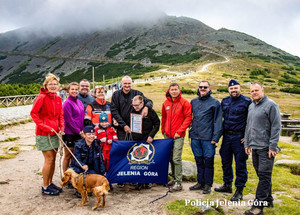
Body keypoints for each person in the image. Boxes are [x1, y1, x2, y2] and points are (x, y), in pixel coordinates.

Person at [244, 83, 281, 215]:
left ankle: (258, 207)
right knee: (262, 175)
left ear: (262, 91)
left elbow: (276, 127)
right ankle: (268, 199)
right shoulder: (252, 106)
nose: (254, 92)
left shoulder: (271, 105)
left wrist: (273, 146)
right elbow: (249, 126)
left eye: (256, 90)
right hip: (255, 147)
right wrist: (247, 143)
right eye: (252, 91)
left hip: (266, 148)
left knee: (264, 176)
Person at [214, 79, 251, 201]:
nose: (233, 90)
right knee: (225, 161)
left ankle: (239, 190)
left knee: (240, 164)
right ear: (228, 90)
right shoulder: (224, 101)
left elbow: (251, 121)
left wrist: (247, 137)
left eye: (236, 88)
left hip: (239, 137)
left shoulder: (247, 102)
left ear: (240, 89)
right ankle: (227, 185)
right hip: (227, 136)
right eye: (231, 89)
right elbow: (220, 118)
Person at [30, 73, 64, 196]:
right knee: (49, 159)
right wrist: (45, 127)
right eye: (51, 84)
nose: (53, 86)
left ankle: (49, 183)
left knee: (53, 159)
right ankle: (45, 186)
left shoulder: (58, 98)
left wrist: (61, 127)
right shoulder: (42, 98)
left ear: (58, 85)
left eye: (55, 84)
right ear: (46, 85)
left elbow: (60, 115)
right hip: (44, 133)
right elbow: (34, 114)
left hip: (54, 133)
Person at [189, 80, 222, 194]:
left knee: (208, 161)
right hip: (195, 137)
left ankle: (208, 184)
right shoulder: (193, 101)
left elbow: (218, 121)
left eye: (205, 87)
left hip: (208, 138)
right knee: (198, 160)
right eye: (201, 87)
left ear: (209, 88)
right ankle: (200, 182)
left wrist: (215, 137)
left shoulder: (215, 103)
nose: (202, 88)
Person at [161, 83, 192, 192]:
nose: (174, 91)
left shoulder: (184, 103)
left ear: (179, 90)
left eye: (176, 89)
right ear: (168, 91)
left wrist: (180, 131)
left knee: (176, 158)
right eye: (172, 89)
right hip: (167, 135)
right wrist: (163, 130)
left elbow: (188, 118)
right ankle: (174, 178)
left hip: (178, 135)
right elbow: (164, 117)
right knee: (169, 157)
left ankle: (179, 183)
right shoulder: (166, 103)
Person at [131, 95, 160, 190]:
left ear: (142, 103)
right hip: (136, 140)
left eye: (137, 105)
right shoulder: (132, 112)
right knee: (138, 162)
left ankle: (148, 181)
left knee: (147, 161)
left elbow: (157, 124)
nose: (135, 107)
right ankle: (139, 182)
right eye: (134, 105)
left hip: (147, 140)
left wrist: (151, 135)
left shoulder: (150, 112)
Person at [111, 75, 153, 141]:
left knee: (135, 149)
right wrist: (123, 125)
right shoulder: (116, 95)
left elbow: (149, 101)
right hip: (121, 129)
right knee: (124, 148)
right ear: (121, 83)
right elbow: (114, 110)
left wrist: (146, 107)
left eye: (129, 83)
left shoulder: (137, 93)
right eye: (125, 83)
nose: (127, 85)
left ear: (131, 83)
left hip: (135, 128)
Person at [70, 125, 106, 198]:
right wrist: (82, 165)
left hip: (91, 169)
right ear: (84, 135)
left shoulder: (96, 144)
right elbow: (76, 160)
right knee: (76, 173)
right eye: (89, 134)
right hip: (79, 168)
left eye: (93, 134)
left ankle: (88, 188)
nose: (91, 136)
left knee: (94, 176)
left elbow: (100, 161)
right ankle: (78, 189)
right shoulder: (78, 145)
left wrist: (102, 175)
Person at [62, 82, 84, 173]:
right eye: (72, 89)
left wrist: (82, 130)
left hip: (79, 132)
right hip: (69, 133)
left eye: (76, 89)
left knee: (75, 156)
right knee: (68, 156)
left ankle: (72, 176)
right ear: (68, 90)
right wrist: (79, 131)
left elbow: (81, 117)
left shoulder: (79, 102)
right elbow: (69, 120)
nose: (74, 91)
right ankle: (65, 177)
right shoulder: (67, 103)